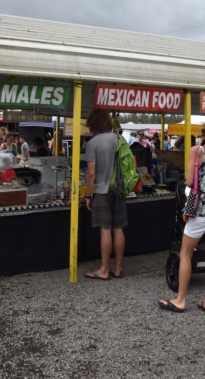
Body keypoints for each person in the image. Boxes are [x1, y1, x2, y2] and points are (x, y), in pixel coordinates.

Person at [159, 117, 205, 314]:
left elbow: (190, 180)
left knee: (185, 254)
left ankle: (181, 299)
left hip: (199, 211)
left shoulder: (197, 151)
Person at [83, 109, 127, 281]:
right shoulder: (119, 139)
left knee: (105, 230)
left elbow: (91, 173)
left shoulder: (92, 143)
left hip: (102, 190)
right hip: (119, 189)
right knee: (118, 228)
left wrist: (87, 195)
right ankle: (117, 268)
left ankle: (103, 269)